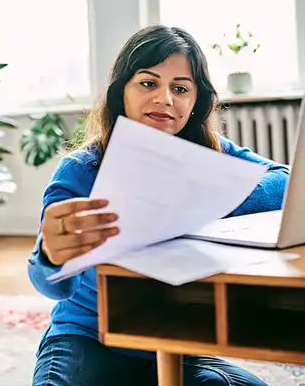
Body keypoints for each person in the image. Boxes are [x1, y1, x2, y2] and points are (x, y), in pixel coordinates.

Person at [27, 24, 289, 386]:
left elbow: (285, 181)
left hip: (177, 339)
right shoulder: (81, 170)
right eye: (148, 83)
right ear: (122, 92)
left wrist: (206, 194)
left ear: (196, 101)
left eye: (180, 88)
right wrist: (50, 256)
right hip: (88, 337)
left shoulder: (211, 155)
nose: (165, 98)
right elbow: (50, 285)